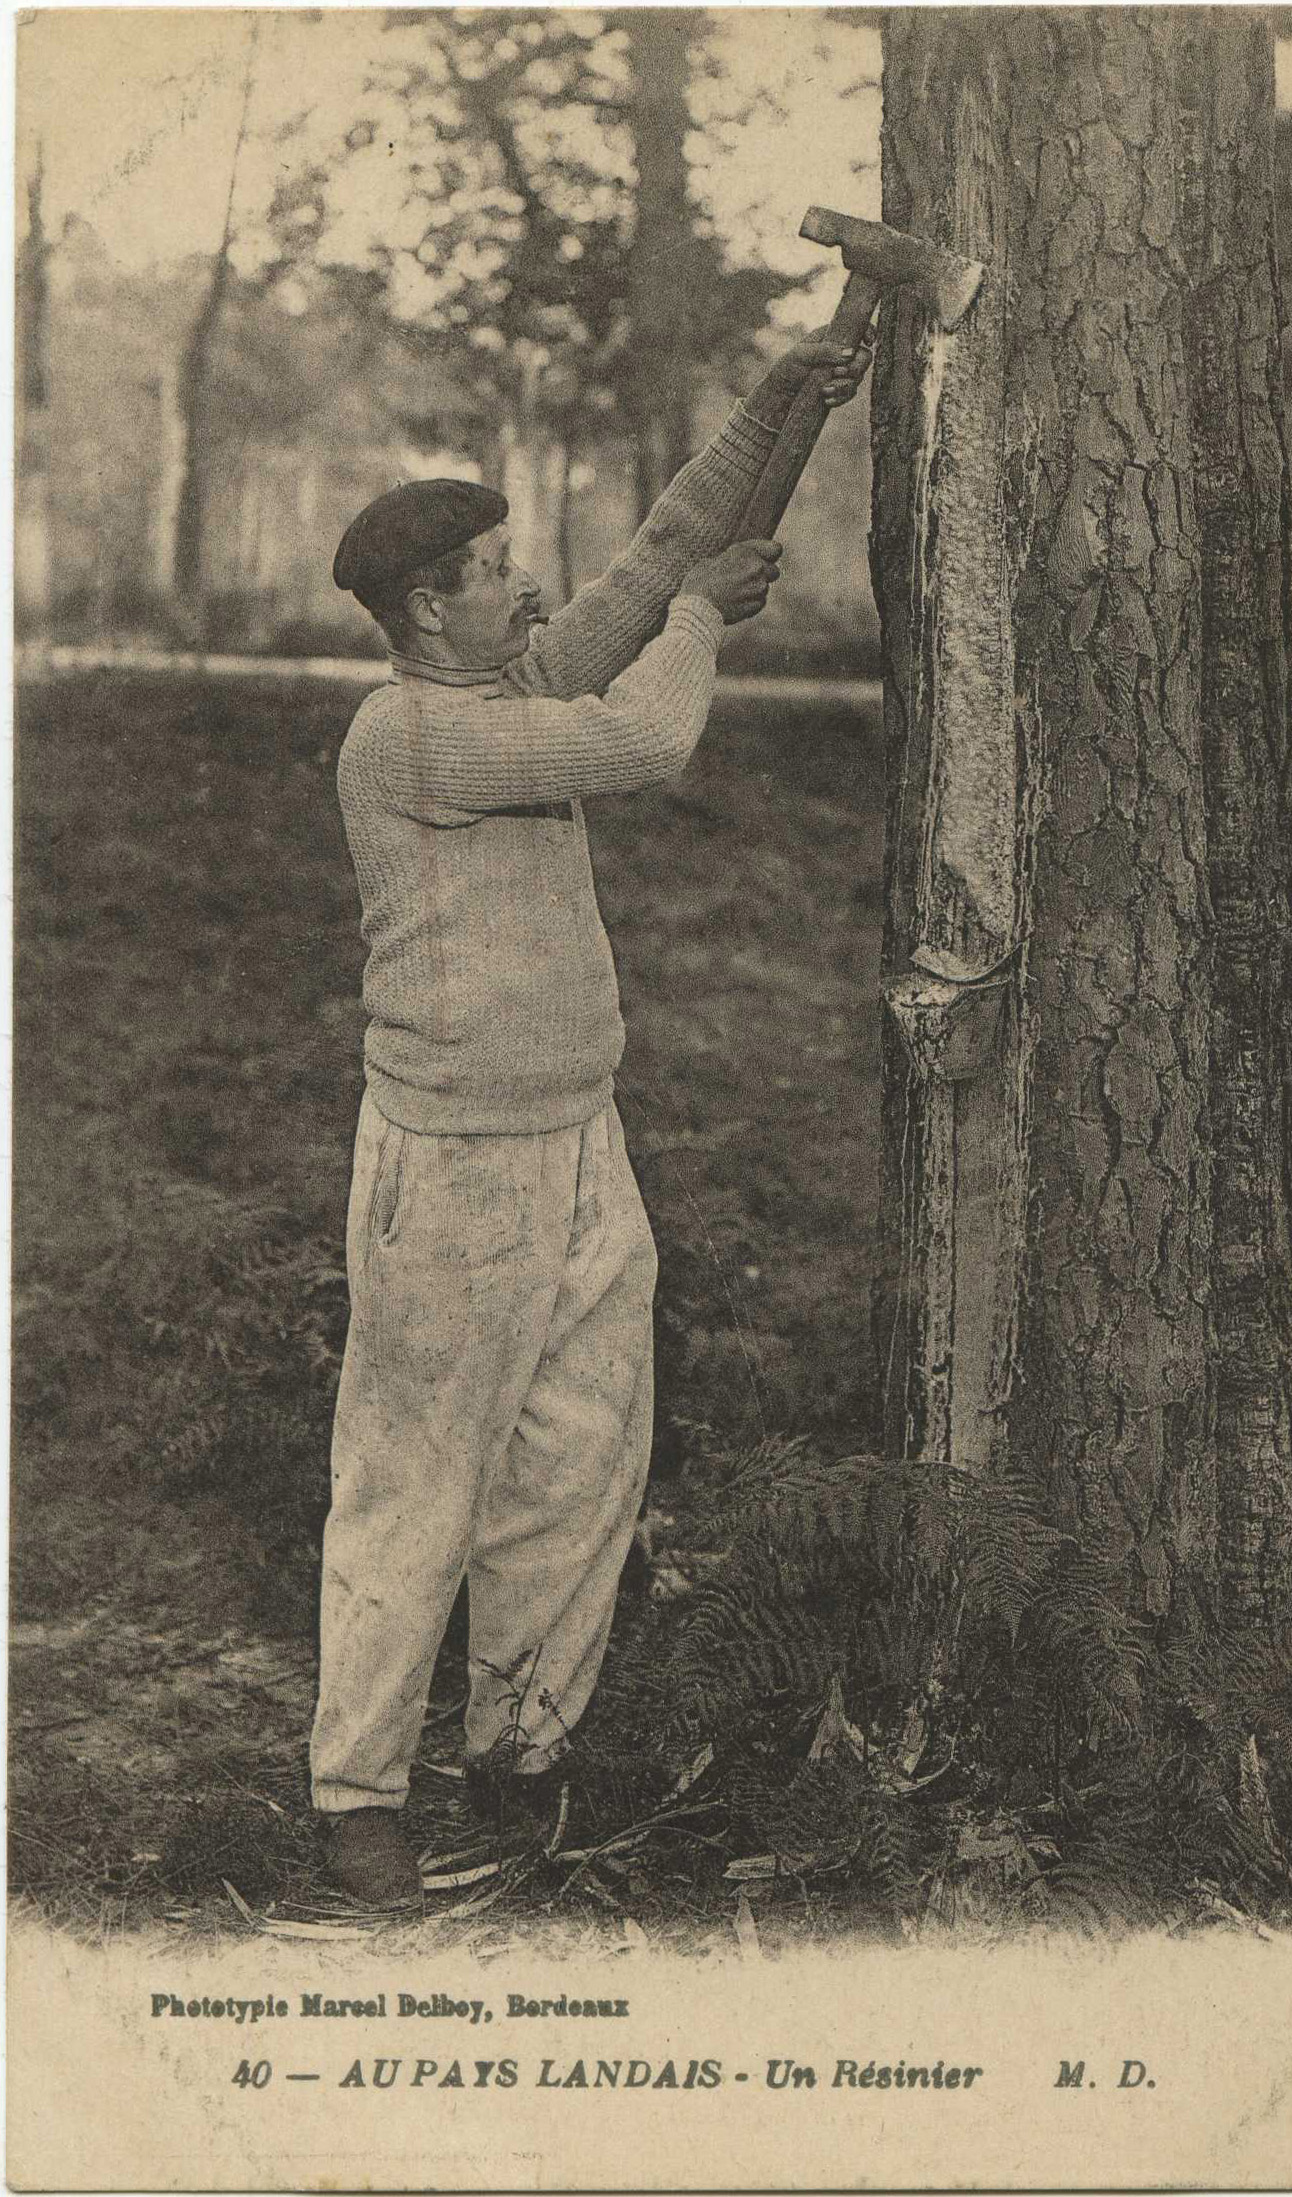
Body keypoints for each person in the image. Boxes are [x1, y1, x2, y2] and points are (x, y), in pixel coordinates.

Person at [313, 329, 872, 1905]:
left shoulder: (504, 678)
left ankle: (523, 1754)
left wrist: (777, 403)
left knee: (577, 1458)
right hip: (452, 1161)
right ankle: (357, 1792)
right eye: (497, 571)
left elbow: (655, 555)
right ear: (429, 606)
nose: (529, 586)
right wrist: (696, 625)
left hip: (577, 1138)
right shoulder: (412, 729)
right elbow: (649, 731)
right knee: (417, 1471)